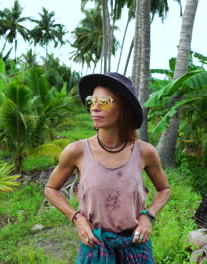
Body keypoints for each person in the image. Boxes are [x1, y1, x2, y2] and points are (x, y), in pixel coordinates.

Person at [44, 72, 171, 263]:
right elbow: (51, 188)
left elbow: (164, 189)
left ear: (123, 108)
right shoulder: (77, 151)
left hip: (135, 247)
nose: (94, 107)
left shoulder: (144, 152)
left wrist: (148, 216)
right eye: (91, 101)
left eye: (103, 101)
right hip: (95, 246)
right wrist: (77, 218)